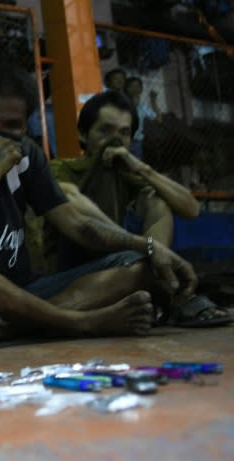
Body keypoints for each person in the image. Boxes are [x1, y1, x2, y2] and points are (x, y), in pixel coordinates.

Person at [0, 63, 198, 346]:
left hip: (24, 291)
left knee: (138, 265)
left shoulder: (29, 154)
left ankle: (15, 326)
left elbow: (77, 225)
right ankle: (74, 322)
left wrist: (150, 247)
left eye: (12, 126)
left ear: (26, 123)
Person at [49, 90, 231, 327]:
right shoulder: (61, 168)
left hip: (121, 266)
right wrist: (140, 245)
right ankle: (163, 284)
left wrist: (142, 169)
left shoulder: (128, 174)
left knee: (157, 200)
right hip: (70, 270)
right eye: (105, 130)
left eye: (123, 133)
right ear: (83, 134)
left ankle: (154, 271)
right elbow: (70, 201)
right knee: (70, 194)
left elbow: (191, 209)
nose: (114, 141)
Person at [124, 76, 162, 159]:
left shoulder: (142, 107)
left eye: (138, 86)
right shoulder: (122, 105)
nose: (135, 89)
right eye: (132, 86)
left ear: (141, 89)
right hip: (123, 140)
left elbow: (158, 119)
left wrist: (153, 100)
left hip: (137, 141)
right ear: (126, 89)